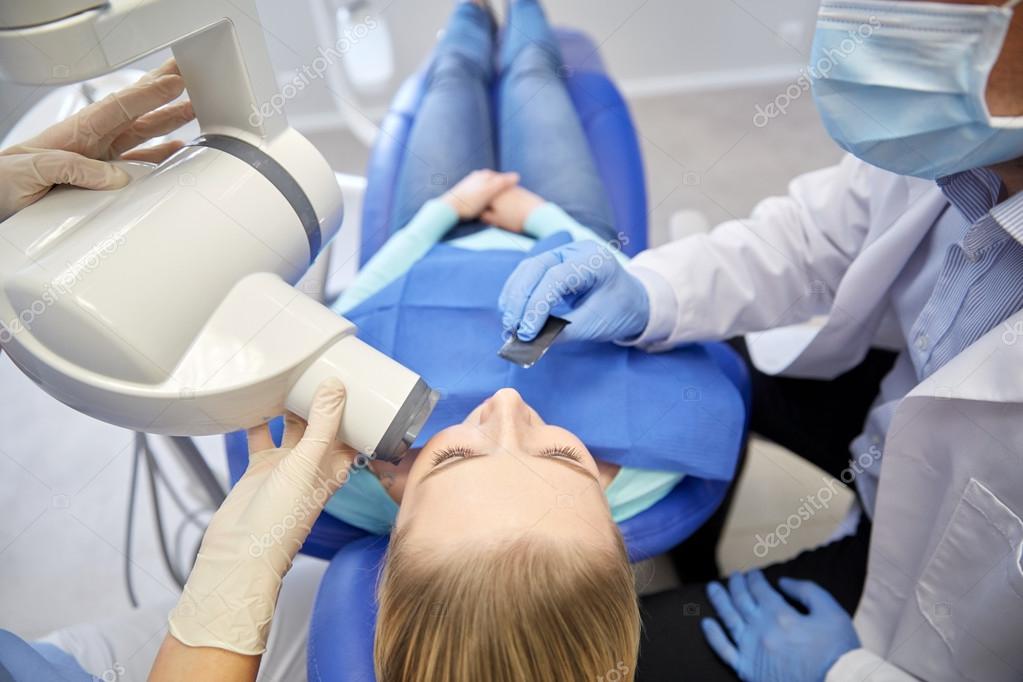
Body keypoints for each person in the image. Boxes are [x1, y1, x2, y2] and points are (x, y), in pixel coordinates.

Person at [499, 0, 1023, 680]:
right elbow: (811, 238)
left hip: (952, 601)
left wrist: (845, 674)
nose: (872, 22)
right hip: (903, 431)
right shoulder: (956, 147)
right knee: (712, 363)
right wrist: (648, 292)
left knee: (605, 660)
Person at [312, 1, 741, 679]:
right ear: (614, 528)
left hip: (436, 237)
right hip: (563, 225)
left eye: (453, 459)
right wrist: (538, 218)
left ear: (392, 540)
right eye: (566, 459)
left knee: (452, 73)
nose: (508, 412)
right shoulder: (649, 473)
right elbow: (621, 287)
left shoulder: (345, 475)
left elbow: (361, 302)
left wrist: (440, 214)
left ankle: (468, 15)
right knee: (535, 76)